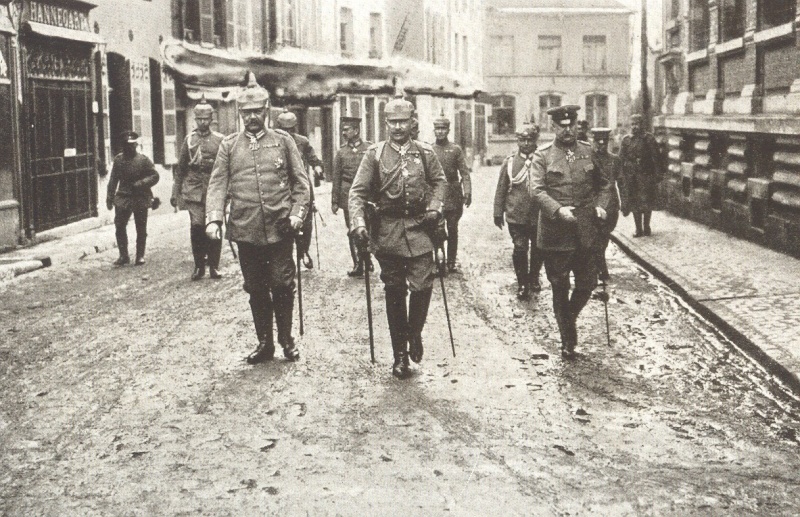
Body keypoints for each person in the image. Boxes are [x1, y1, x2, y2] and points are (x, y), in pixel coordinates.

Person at [205, 72, 310, 364]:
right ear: (240, 114)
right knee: (255, 287)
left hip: (280, 227)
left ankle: (286, 338)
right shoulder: (229, 146)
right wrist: (214, 218)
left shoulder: (282, 141)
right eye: (246, 113)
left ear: (266, 111)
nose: (251, 117)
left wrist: (297, 215)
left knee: (281, 283)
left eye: (256, 112)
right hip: (246, 229)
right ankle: (265, 343)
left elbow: (301, 184)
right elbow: (217, 184)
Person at [348, 97, 447, 378]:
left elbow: (440, 182)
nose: (398, 127)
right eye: (393, 122)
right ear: (386, 123)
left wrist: (435, 207)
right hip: (388, 231)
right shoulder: (375, 155)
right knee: (394, 291)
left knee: (422, 285)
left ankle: (414, 332)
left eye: (403, 121)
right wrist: (358, 223)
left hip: (420, 228)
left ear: (412, 122)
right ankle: (400, 355)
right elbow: (357, 192)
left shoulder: (425, 153)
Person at [529, 105, 612, 359]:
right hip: (556, 233)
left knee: (588, 283)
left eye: (571, 125)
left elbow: (605, 185)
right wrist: (557, 210)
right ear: (553, 127)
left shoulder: (588, 151)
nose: (567, 130)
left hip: (586, 229)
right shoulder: (543, 155)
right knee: (559, 285)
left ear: (577, 125)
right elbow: (536, 190)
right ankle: (567, 339)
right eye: (562, 126)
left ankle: (568, 317)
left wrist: (601, 206)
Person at [172, 97, 225, 280]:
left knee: (214, 226)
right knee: (197, 228)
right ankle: (199, 266)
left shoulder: (220, 140)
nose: (202, 122)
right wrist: (175, 193)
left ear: (211, 119)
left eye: (206, 119)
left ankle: (214, 266)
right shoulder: (189, 141)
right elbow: (181, 169)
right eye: (199, 119)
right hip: (193, 191)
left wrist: (229, 191)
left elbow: (226, 169)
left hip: (214, 189)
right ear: (195, 120)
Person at [493, 122, 545, 300]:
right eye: (522, 140)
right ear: (517, 141)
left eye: (530, 140)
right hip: (516, 215)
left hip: (539, 214)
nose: (526, 143)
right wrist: (498, 212)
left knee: (538, 248)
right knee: (520, 248)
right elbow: (501, 188)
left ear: (536, 140)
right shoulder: (509, 162)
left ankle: (534, 277)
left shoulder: (542, 160)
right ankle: (522, 283)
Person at [276, 108, 324, 269]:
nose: (288, 133)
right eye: (285, 130)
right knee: (284, 221)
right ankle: (286, 256)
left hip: (301, 186)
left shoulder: (302, 141)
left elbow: (313, 158)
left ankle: (303, 251)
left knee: (306, 222)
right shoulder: (273, 142)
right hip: (282, 187)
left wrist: (317, 167)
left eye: (291, 129)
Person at [106, 130, 160, 266]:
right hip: (123, 197)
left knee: (141, 227)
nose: (130, 147)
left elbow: (154, 176)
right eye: (127, 145)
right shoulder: (118, 160)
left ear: (136, 145)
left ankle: (140, 255)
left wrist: (141, 183)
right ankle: (123, 256)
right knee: (119, 225)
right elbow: (113, 179)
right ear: (123, 146)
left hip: (140, 196)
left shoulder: (143, 160)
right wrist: (109, 197)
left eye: (132, 144)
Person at [331, 115, 373, 277]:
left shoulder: (369, 149)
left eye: (346, 129)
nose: (343, 133)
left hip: (367, 196)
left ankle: (367, 258)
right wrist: (335, 201)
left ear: (356, 131)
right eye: (342, 130)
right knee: (353, 230)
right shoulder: (341, 152)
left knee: (367, 229)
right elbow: (336, 178)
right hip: (348, 196)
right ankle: (358, 264)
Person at [432, 111, 472, 273]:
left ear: (448, 130)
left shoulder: (455, 150)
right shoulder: (430, 150)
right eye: (437, 129)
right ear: (434, 130)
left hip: (454, 195)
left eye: (443, 129)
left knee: (453, 228)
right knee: (437, 229)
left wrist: (467, 192)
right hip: (436, 195)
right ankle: (439, 260)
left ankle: (451, 261)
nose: (440, 132)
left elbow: (464, 173)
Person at [619, 114, 662, 237]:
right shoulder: (626, 140)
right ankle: (638, 229)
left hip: (646, 175)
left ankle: (646, 227)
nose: (634, 127)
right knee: (634, 203)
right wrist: (621, 174)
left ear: (642, 125)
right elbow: (620, 159)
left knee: (646, 202)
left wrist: (658, 174)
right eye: (632, 124)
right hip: (631, 176)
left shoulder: (649, 139)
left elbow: (656, 157)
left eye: (636, 124)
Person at [591, 127, 622, 281]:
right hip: (594, 203)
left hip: (611, 205)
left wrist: (625, 202)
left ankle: (599, 264)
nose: (601, 145)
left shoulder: (615, 160)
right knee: (597, 237)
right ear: (594, 141)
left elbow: (621, 182)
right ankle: (601, 268)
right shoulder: (588, 159)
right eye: (598, 142)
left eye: (604, 142)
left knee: (604, 237)